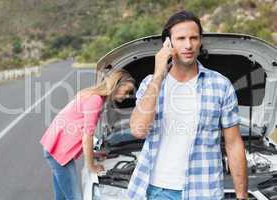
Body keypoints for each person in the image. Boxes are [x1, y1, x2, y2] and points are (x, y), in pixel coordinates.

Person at [127, 10, 248, 200]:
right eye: (181, 38)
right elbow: (138, 130)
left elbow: (233, 144)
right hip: (156, 190)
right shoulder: (150, 84)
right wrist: (159, 74)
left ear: (200, 42)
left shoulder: (220, 85)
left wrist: (242, 196)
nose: (188, 45)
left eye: (194, 38)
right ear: (168, 43)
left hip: (204, 190)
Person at [40, 69, 135, 200]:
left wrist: (94, 154)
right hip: (57, 151)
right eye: (126, 91)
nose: (126, 96)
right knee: (75, 197)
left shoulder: (96, 98)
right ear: (116, 85)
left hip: (54, 148)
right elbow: (87, 136)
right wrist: (92, 166)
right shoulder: (95, 100)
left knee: (61, 197)